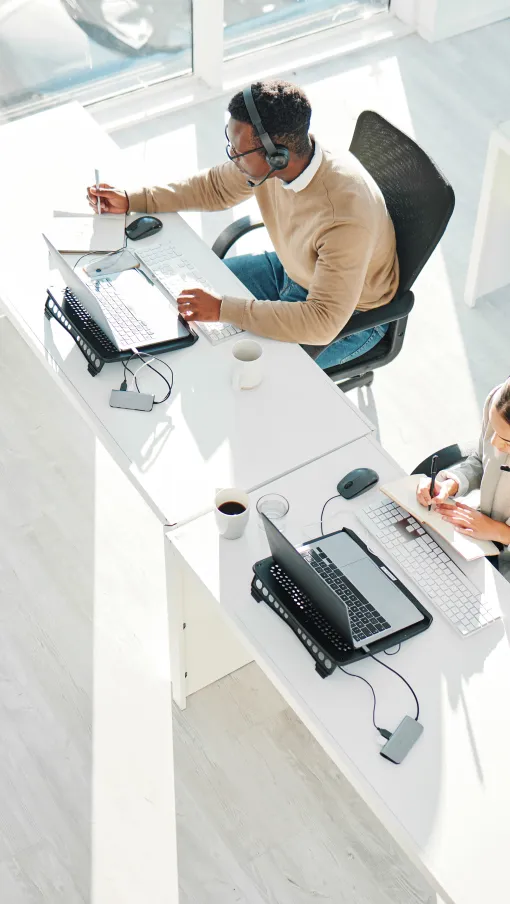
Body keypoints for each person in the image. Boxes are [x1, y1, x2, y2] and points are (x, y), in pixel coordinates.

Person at [87, 79, 399, 368]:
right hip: (291, 269)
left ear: (278, 156)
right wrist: (134, 199)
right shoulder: (274, 164)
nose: (232, 158)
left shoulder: (343, 216)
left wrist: (224, 309)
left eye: (239, 152)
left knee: (237, 367)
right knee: (178, 305)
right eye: (231, 144)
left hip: (351, 316)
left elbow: (322, 320)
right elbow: (214, 187)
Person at [416, 381, 510, 577]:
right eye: (493, 429)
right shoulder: (499, 400)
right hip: (478, 530)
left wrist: (500, 532)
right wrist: (452, 484)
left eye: (507, 441)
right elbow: (481, 460)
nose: (494, 443)